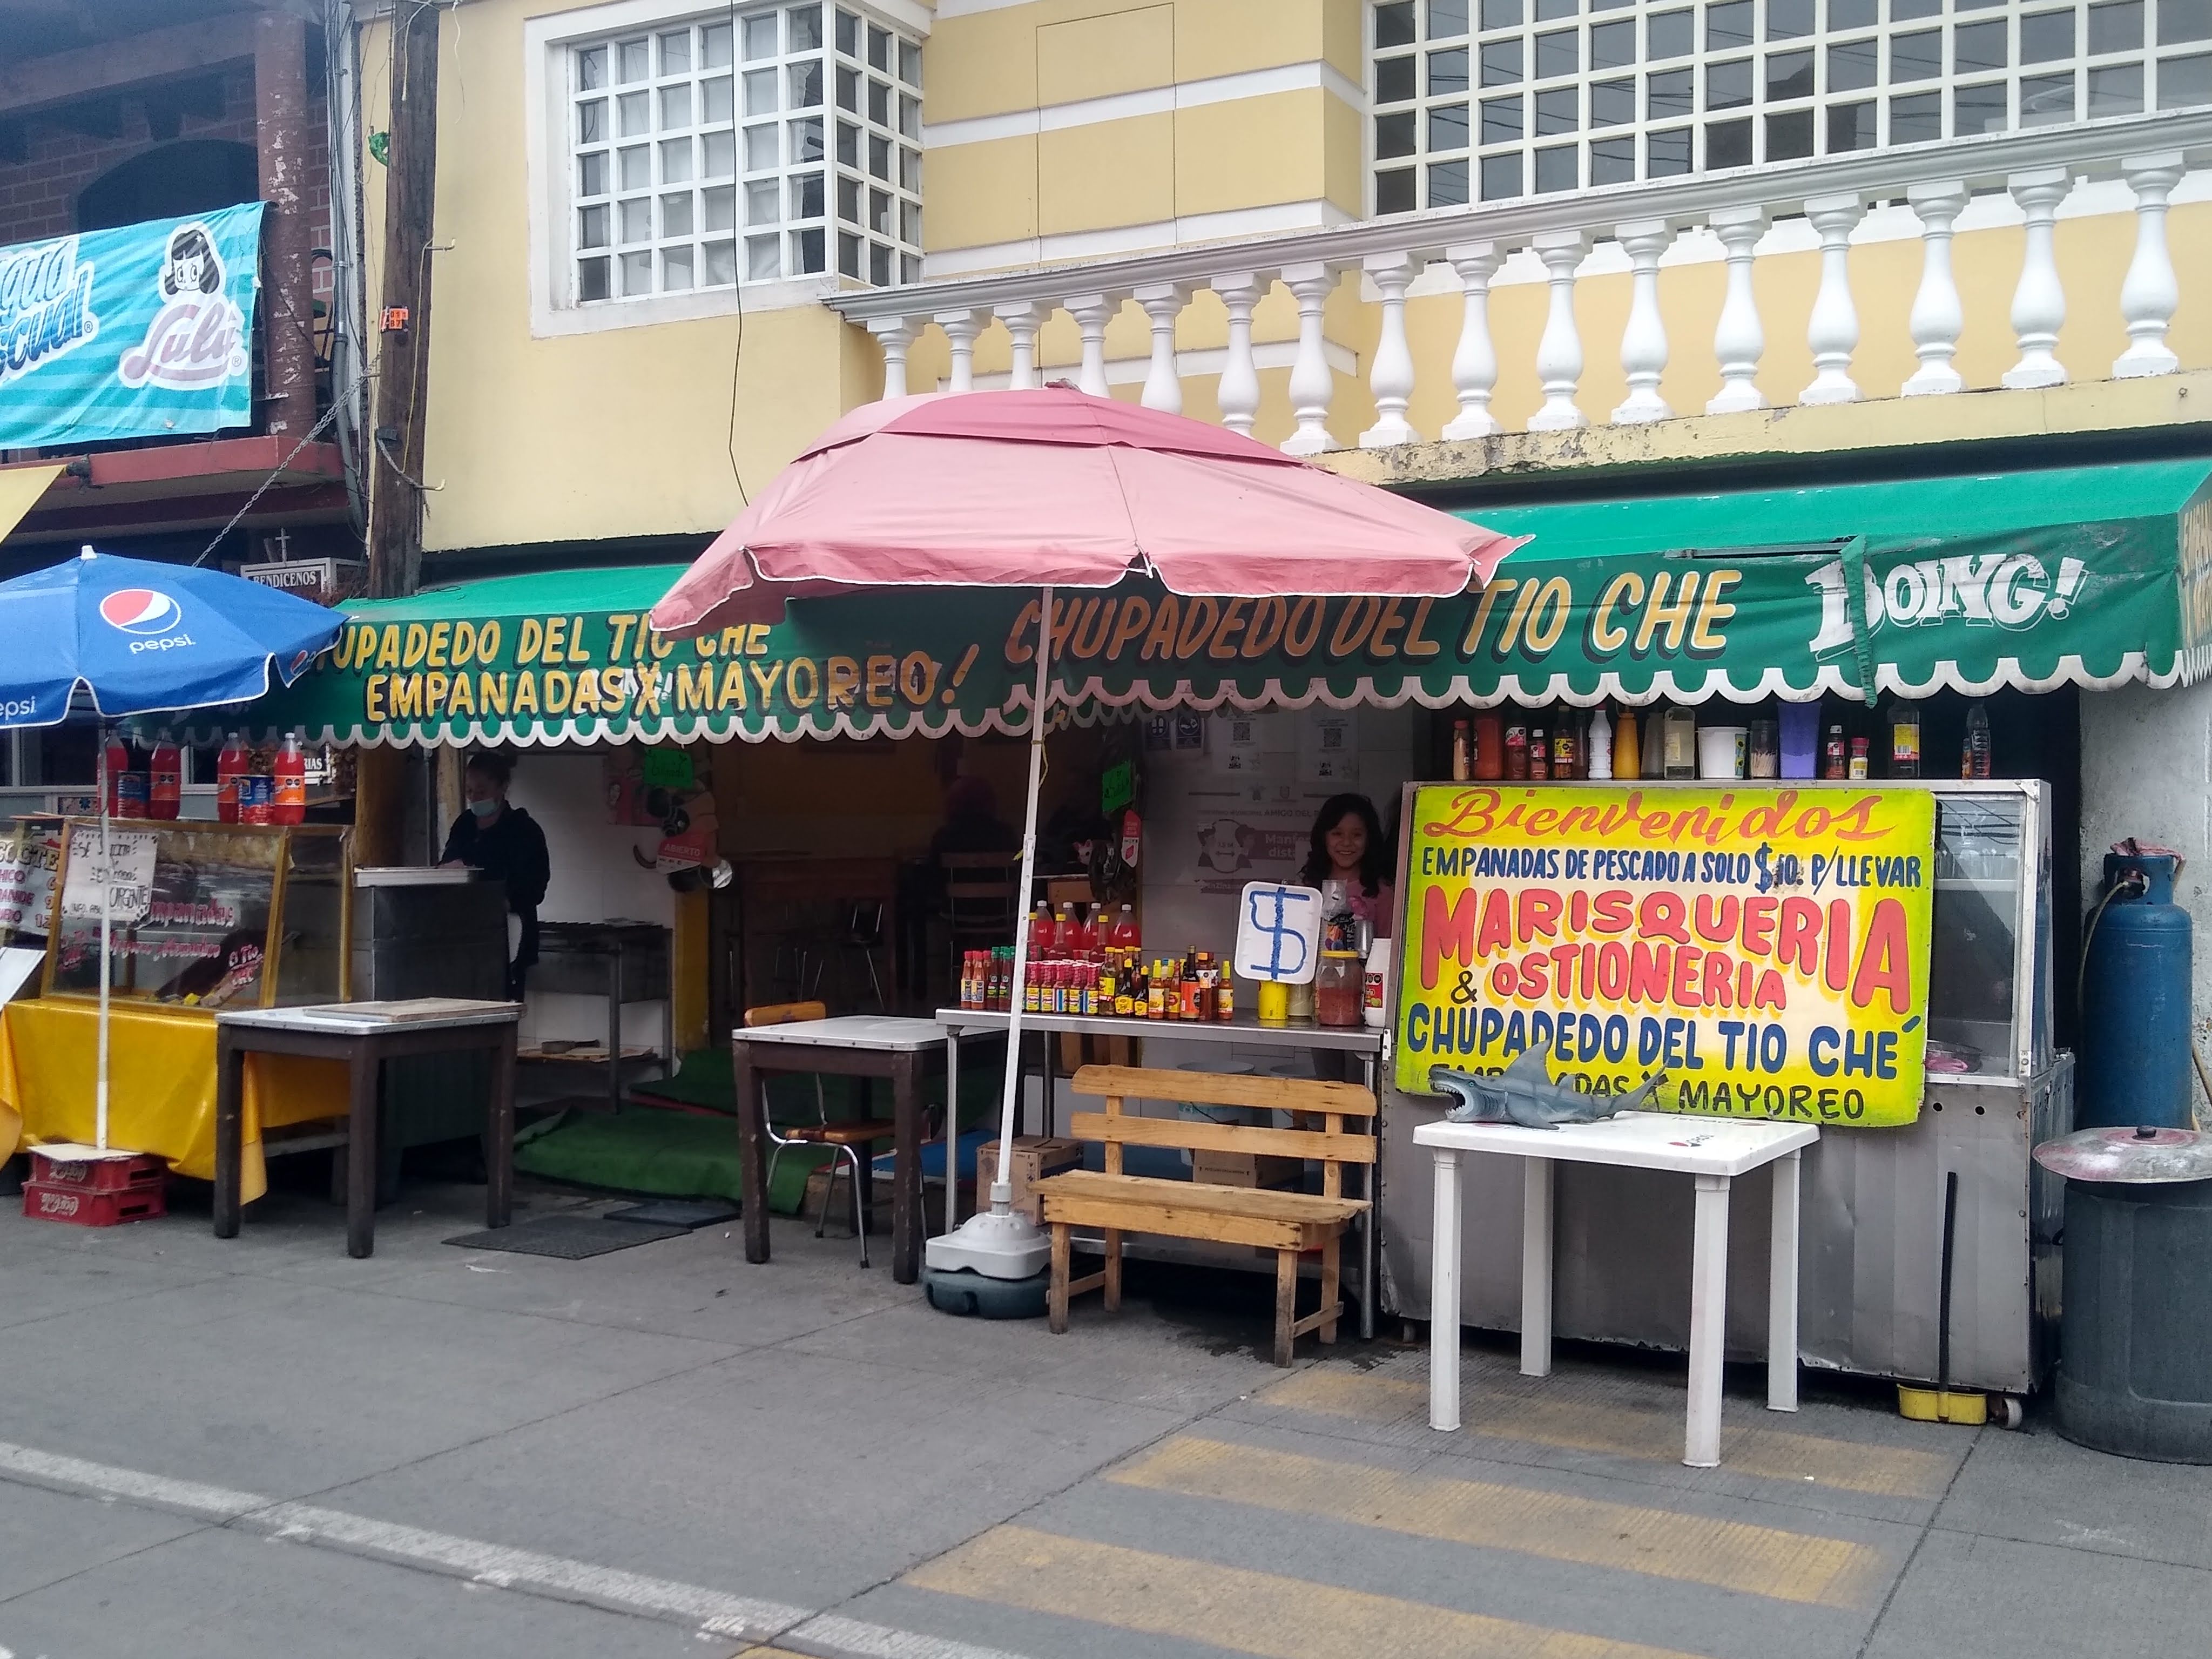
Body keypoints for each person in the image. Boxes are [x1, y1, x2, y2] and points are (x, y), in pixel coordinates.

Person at [440, 752, 550, 1001]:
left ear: (503, 787)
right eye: (469, 791)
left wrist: (505, 902)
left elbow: (536, 884)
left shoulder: (524, 830)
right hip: (464, 933)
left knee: (504, 1003)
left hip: (509, 934)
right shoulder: (464, 825)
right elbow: (449, 861)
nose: (474, 797)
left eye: (481, 791)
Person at [1300, 792, 1394, 941]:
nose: (1346, 843)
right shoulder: (1308, 889)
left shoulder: (1383, 894)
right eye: (1337, 834)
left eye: (1357, 835)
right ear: (1323, 837)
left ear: (1369, 838)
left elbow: (1387, 953)